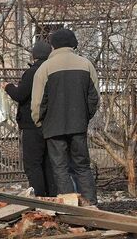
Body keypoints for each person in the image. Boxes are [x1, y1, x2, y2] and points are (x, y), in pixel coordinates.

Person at [31, 28, 100, 204]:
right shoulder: (86, 65)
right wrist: (85, 117)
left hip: (53, 127)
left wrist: (40, 122)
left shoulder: (45, 68)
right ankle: (91, 204)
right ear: (73, 44)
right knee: (82, 166)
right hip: (78, 125)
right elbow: (94, 98)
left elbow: (38, 102)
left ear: (53, 46)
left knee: (60, 168)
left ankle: (71, 207)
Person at [5, 40, 57, 197]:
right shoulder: (53, 71)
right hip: (52, 123)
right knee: (48, 163)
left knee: (33, 163)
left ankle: (39, 197)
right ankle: (52, 196)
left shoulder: (33, 72)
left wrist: (8, 87)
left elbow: (20, 94)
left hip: (32, 124)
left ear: (34, 56)